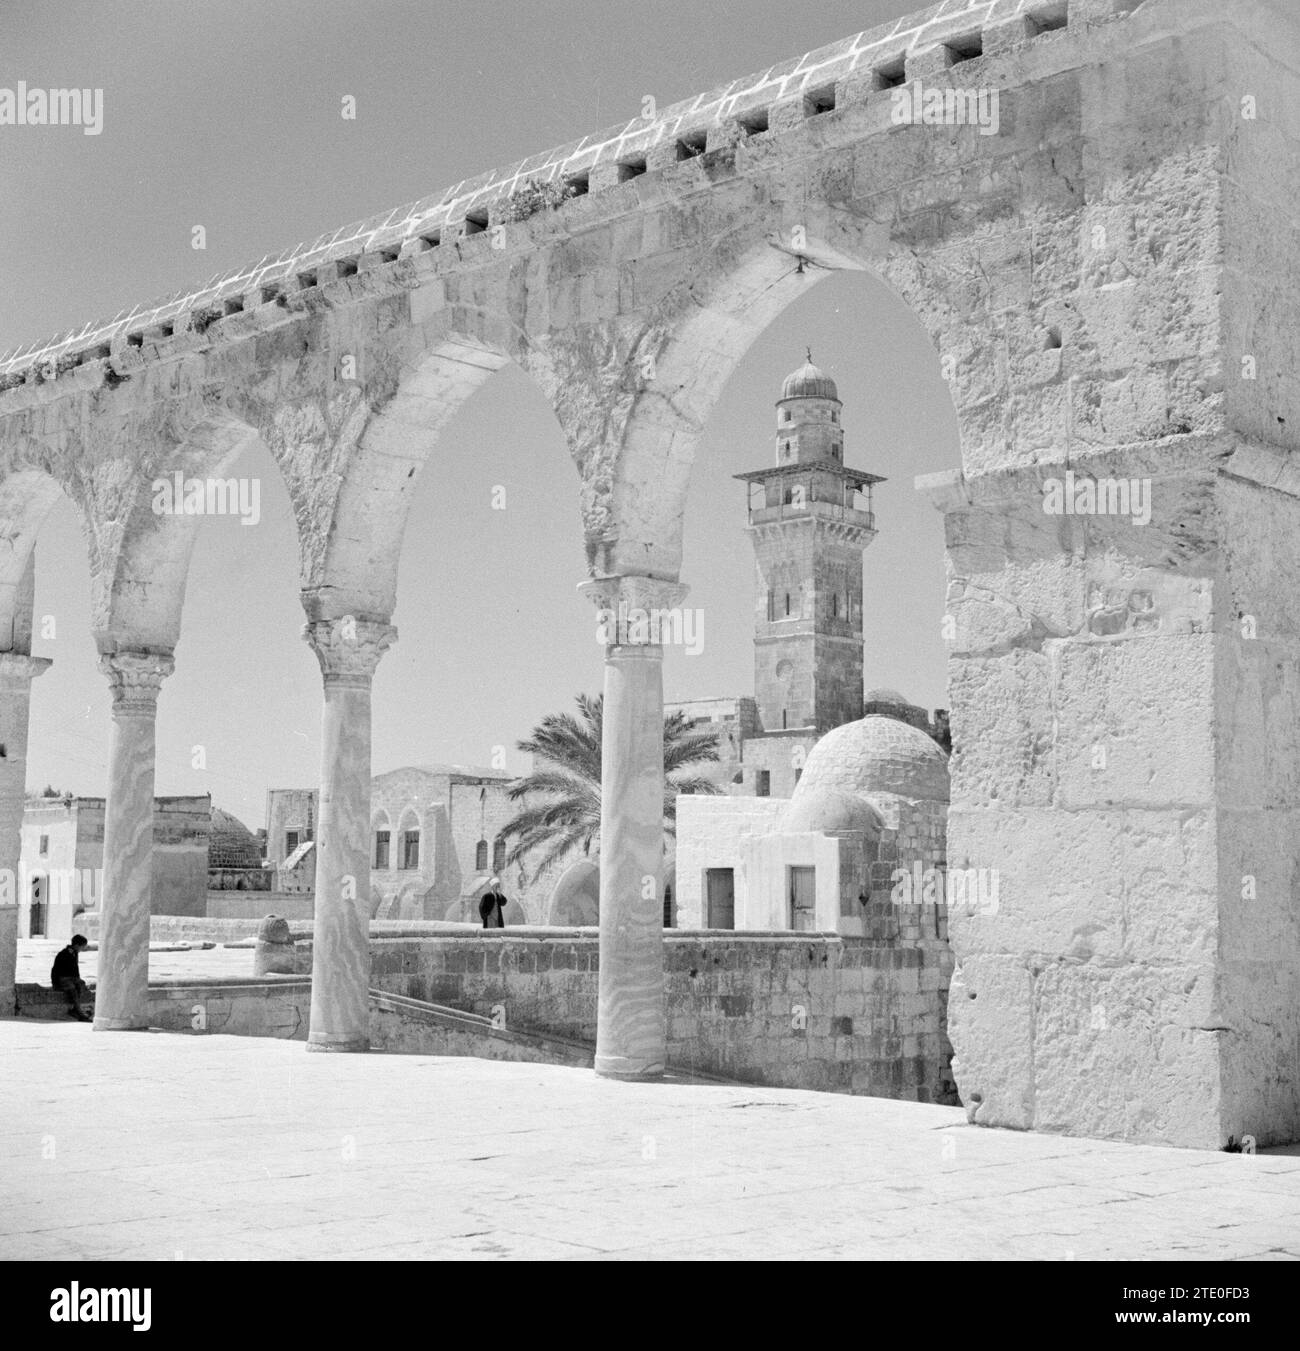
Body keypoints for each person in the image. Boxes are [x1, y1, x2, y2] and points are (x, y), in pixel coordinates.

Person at [51, 935, 91, 1021]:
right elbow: (55, 970)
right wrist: (55, 983)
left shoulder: (74, 953)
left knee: (80, 985)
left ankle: (76, 1009)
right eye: (82, 946)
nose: (83, 949)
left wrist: (78, 979)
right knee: (72, 989)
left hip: (71, 978)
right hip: (62, 978)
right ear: (77, 945)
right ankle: (79, 1012)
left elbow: (75, 970)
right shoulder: (64, 954)